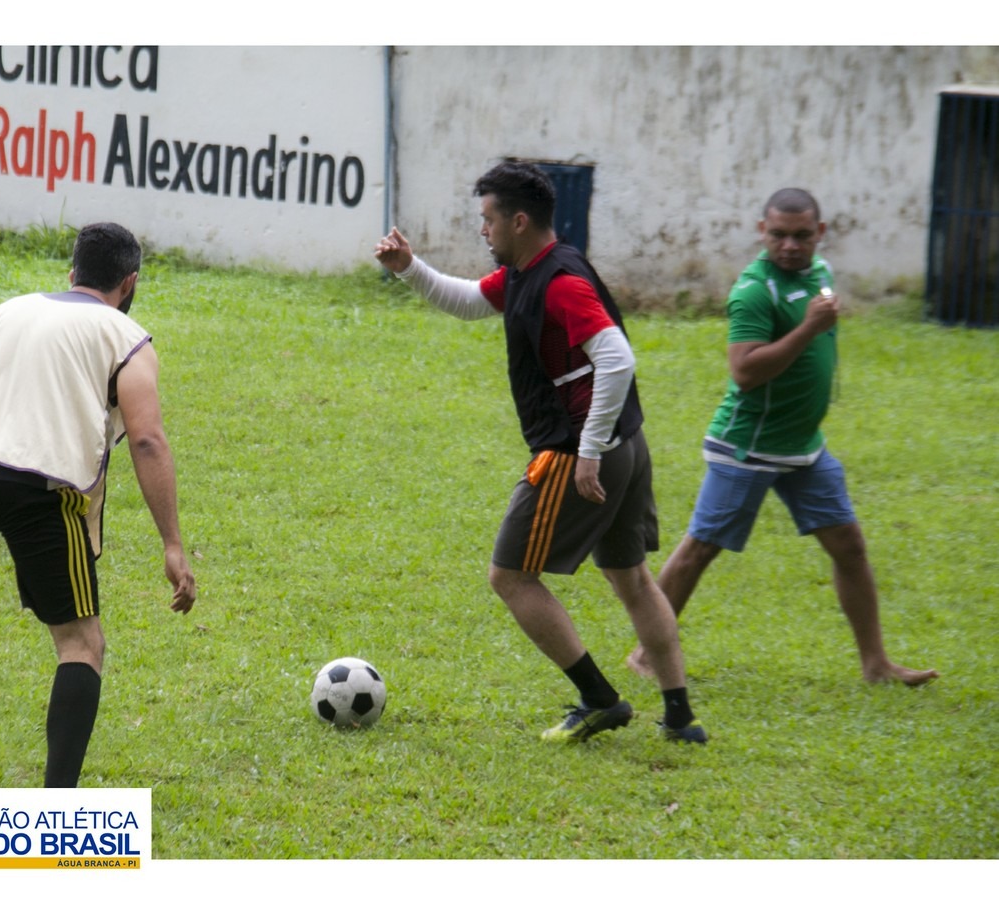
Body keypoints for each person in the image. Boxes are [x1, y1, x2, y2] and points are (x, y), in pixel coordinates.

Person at [374, 162, 706, 744]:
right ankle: (680, 716)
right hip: (628, 441)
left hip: (577, 451)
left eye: (488, 219)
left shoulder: (560, 282)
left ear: (519, 221)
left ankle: (600, 699)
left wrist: (589, 451)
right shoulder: (531, 270)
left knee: (510, 576)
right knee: (630, 576)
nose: (483, 230)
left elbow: (618, 359)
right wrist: (411, 270)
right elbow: (472, 300)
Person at [0, 222, 197, 786]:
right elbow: (147, 439)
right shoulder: (127, 337)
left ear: (71, 274)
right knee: (81, 643)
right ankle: (57, 811)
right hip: (39, 491)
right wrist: (172, 544)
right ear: (130, 283)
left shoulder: (8, 310)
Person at [626, 188, 938, 687]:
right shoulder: (754, 290)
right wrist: (810, 329)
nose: (789, 245)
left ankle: (876, 664)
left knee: (850, 546)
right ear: (761, 232)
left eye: (800, 235)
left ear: (820, 232)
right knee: (700, 549)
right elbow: (745, 372)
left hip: (803, 447)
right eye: (778, 235)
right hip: (747, 447)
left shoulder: (821, 273)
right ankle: (645, 653)